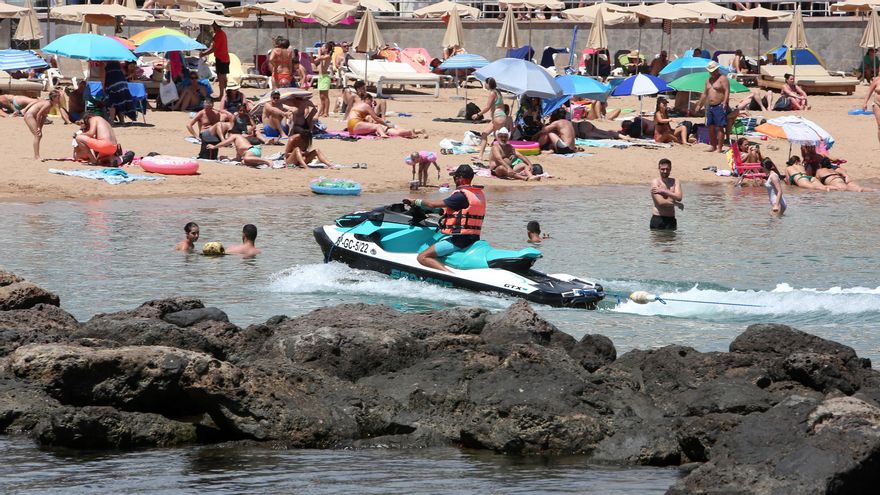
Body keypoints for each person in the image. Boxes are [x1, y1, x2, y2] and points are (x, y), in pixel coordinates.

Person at [402, 164, 485, 273]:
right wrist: (433, 211)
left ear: (460, 178)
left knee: (422, 257)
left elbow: (432, 204)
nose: (455, 180)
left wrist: (415, 201)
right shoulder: (477, 194)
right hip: (473, 238)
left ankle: (451, 276)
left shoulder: (460, 195)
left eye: (455, 177)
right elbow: (449, 210)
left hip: (459, 241)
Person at [347, 94, 425, 138]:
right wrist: (386, 125)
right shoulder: (366, 105)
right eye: (371, 101)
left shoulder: (358, 105)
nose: (371, 103)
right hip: (356, 124)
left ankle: (413, 131)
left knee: (394, 131)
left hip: (351, 128)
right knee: (380, 127)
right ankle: (383, 134)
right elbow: (376, 118)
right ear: (367, 99)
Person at [695, 61, 729, 153]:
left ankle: (719, 147)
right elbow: (704, 94)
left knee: (720, 127)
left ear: (717, 69)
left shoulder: (722, 78)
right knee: (710, 126)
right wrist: (699, 104)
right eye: (710, 71)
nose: (712, 72)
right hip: (710, 106)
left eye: (713, 70)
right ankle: (713, 145)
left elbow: (726, 90)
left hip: (719, 105)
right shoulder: (708, 80)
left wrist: (725, 102)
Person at [472, 78, 509, 159]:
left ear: (488, 84)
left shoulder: (492, 93)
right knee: (485, 134)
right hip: (500, 116)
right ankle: (480, 155)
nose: (484, 85)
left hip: (498, 117)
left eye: (485, 83)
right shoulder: (498, 92)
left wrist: (478, 114)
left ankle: (504, 156)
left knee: (499, 138)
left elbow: (487, 107)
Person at [23, 90, 61, 160]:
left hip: (32, 116)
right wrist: (38, 127)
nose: (59, 99)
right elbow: (38, 114)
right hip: (29, 116)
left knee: (39, 135)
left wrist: (40, 128)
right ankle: (36, 156)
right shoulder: (48, 104)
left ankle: (36, 155)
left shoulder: (51, 104)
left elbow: (43, 117)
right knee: (37, 135)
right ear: (53, 98)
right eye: (58, 97)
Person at [208, 133, 279, 168]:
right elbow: (237, 159)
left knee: (246, 158)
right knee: (243, 162)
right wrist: (226, 158)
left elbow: (225, 143)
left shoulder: (235, 136)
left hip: (252, 150)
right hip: (252, 153)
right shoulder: (238, 147)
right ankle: (261, 162)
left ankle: (267, 161)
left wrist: (214, 147)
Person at [650, 158, 683, 230]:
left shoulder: (675, 181)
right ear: (659, 169)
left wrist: (665, 191)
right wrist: (677, 204)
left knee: (672, 237)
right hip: (658, 219)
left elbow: (679, 197)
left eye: (667, 169)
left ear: (670, 169)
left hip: (671, 220)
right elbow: (661, 203)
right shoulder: (655, 182)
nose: (665, 171)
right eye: (662, 169)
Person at [201, 23, 230, 95]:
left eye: (213, 26)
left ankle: (222, 95)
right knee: (223, 77)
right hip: (224, 58)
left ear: (215, 26)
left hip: (221, 58)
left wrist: (204, 54)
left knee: (221, 78)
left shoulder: (219, 34)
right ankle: (225, 94)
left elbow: (214, 48)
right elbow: (213, 46)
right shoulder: (220, 34)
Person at [315, 41, 335, 118]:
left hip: (325, 77)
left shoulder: (328, 56)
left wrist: (318, 51)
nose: (321, 48)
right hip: (321, 77)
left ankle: (326, 112)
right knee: (321, 96)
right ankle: (322, 110)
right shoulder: (324, 56)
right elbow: (316, 60)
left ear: (326, 49)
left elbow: (319, 58)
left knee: (325, 96)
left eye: (323, 47)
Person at [861, 74, 880, 147]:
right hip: (877, 105)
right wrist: (865, 102)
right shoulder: (877, 79)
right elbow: (869, 91)